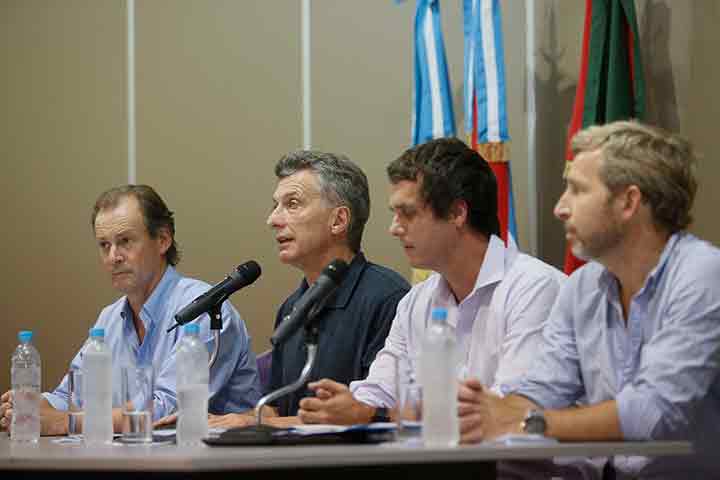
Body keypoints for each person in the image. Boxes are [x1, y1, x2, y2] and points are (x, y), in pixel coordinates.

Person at [458, 121, 720, 477]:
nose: (560, 208)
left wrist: (524, 421)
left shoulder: (702, 274)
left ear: (629, 201)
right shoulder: (582, 286)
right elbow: (541, 391)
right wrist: (483, 413)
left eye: (577, 191)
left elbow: (653, 412)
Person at [298, 137, 565, 425]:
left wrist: (378, 412)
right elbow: (380, 393)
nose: (394, 228)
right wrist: (347, 405)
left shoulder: (534, 289)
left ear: (457, 213)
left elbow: (508, 412)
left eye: (408, 213)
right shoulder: (416, 302)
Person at [0, 185, 261, 435]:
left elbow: (164, 412)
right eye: (104, 245)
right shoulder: (109, 318)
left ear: (162, 240)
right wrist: (32, 405)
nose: (113, 256)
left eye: (125, 241)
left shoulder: (205, 311)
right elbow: (70, 396)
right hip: (136, 463)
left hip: (214, 466)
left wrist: (62, 423)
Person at [207, 151, 410, 429]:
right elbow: (278, 408)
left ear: (338, 220)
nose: (273, 220)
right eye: (275, 206)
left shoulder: (388, 299)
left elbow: (376, 415)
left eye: (292, 204)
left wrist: (250, 423)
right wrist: (221, 420)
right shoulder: (292, 307)